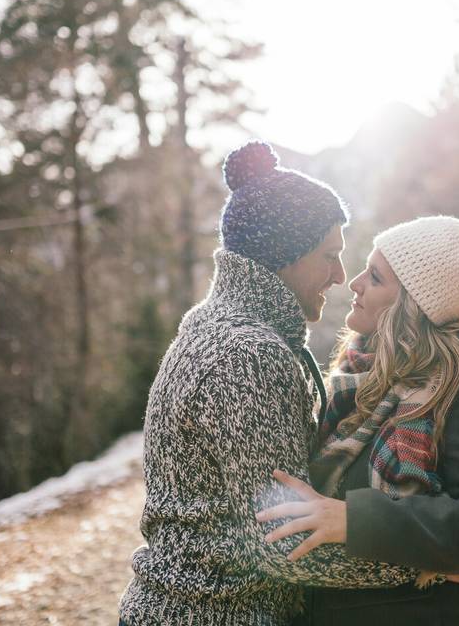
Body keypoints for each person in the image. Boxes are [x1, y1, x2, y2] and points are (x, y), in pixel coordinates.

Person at [117, 141, 424, 626]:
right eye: (329, 255)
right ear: (286, 254)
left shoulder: (216, 324)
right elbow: (281, 543)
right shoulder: (250, 356)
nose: (341, 276)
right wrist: (423, 568)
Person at [257, 207, 459, 625]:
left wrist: (355, 519)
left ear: (412, 305)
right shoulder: (351, 381)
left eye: (376, 277)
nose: (354, 283)